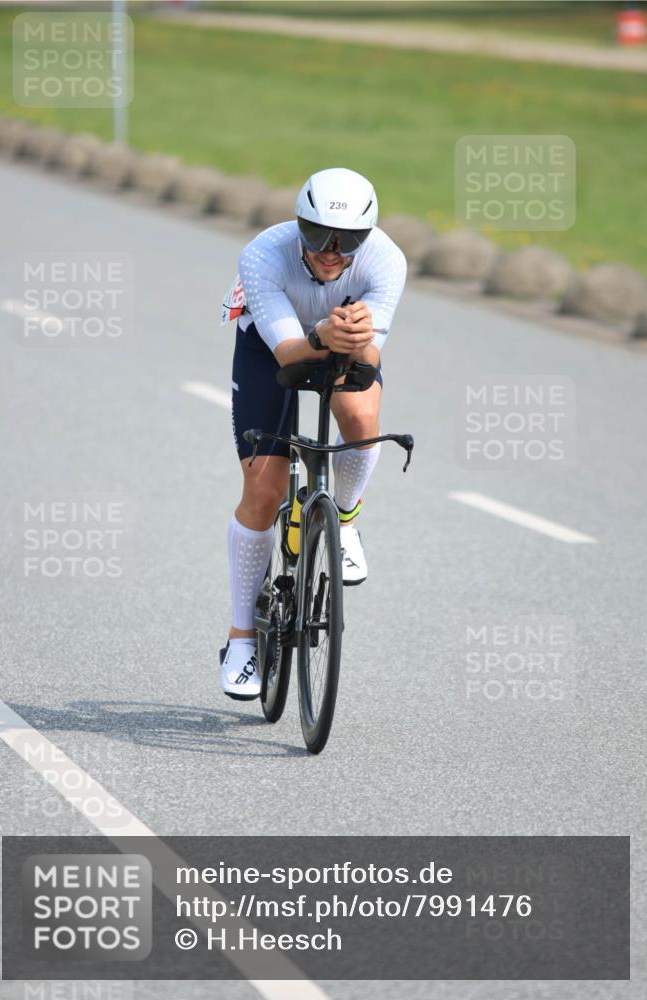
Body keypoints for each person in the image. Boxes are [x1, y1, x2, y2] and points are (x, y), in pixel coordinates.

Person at [220, 167, 407, 699]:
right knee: (263, 492)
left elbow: (369, 355)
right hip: (271, 347)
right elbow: (287, 356)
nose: (330, 250)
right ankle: (241, 640)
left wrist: (351, 339)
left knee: (362, 418)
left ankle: (342, 519)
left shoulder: (387, 260)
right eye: (317, 233)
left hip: (345, 342)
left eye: (348, 240)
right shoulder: (263, 253)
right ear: (298, 224)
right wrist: (321, 332)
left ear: (366, 238)